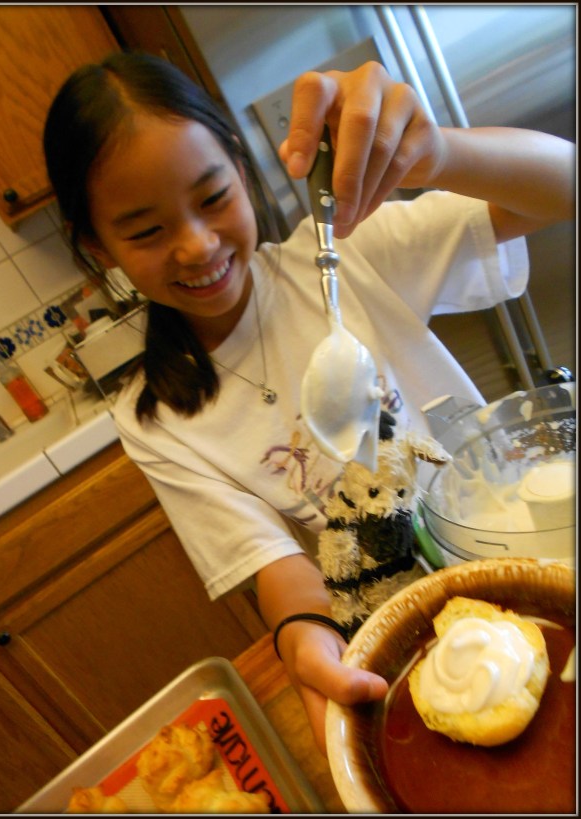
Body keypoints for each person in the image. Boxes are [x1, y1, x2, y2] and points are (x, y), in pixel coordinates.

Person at [43, 53, 574, 755]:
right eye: (146, 231)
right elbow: (276, 563)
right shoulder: (157, 422)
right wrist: (303, 635)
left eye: (212, 198)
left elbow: (563, 187)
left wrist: (436, 153)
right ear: (97, 245)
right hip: (416, 638)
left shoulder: (350, 255)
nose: (197, 245)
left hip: (526, 554)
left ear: (241, 169)